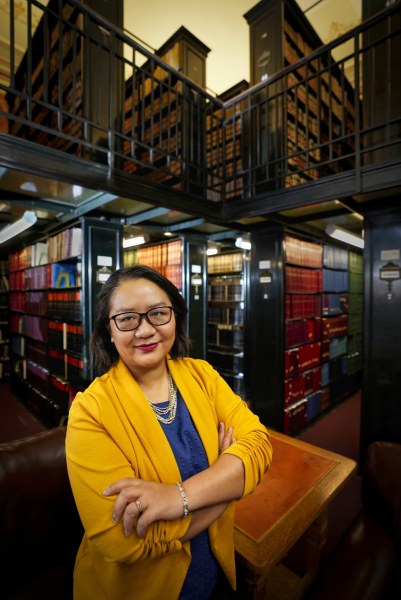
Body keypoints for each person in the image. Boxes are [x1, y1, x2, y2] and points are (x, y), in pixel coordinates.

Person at [66, 264, 273, 600]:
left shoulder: (202, 375)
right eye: (128, 319)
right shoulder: (90, 411)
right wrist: (225, 484)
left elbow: (260, 444)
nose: (146, 330)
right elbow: (123, 540)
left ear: (175, 317)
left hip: (216, 571)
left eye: (158, 314)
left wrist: (177, 498)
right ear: (109, 330)